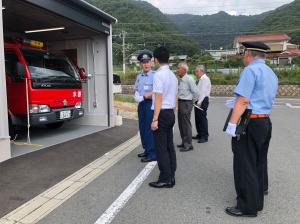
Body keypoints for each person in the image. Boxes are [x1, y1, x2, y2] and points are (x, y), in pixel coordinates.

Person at [225, 42, 278, 217]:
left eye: (243, 53)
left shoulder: (250, 71)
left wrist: (232, 124)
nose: (243, 56)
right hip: (264, 121)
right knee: (258, 162)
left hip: (249, 121)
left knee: (244, 164)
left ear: (249, 53)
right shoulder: (270, 72)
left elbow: (243, 101)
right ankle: (257, 199)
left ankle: (247, 207)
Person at [149, 46, 178, 188]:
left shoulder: (158, 75)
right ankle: (171, 174)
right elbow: (175, 95)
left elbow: (158, 97)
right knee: (169, 145)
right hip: (170, 112)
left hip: (161, 113)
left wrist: (155, 119)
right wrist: (174, 109)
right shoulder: (173, 75)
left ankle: (165, 178)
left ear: (155, 59)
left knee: (161, 147)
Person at [134, 50, 156, 163]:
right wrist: (137, 95)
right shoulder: (139, 76)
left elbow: (158, 91)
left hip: (150, 105)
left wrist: (147, 95)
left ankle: (152, 153)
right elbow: (137, 89)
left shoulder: (155, 76)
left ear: (151, 63)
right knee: (142, 128)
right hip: (141, 104)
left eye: (148, 62)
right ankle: (146, 149)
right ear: (140, 64)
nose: (146, 64)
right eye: (143, 62)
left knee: (149, 129)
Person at [176, 62, 199, 152]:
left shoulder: (189, 79)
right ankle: (184, 142)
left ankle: (188, 144)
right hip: (181, 102)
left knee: (186, 124)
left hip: (186, 103)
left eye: (178, 68)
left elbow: (196, 92)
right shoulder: (181, 80)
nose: (177, 70)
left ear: (184, 70)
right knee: (181, 124)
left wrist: (191, 102)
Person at [193, 65, 211, 143]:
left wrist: (199, 102)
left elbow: (203, 92)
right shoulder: (201, 79)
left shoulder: (204, 79)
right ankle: (200, 134)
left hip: (202, 100)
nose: (196, 73)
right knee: (198, 118)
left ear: (201, 71)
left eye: (197, 71)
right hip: (199, 100)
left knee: (202, 118)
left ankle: (204, 136)